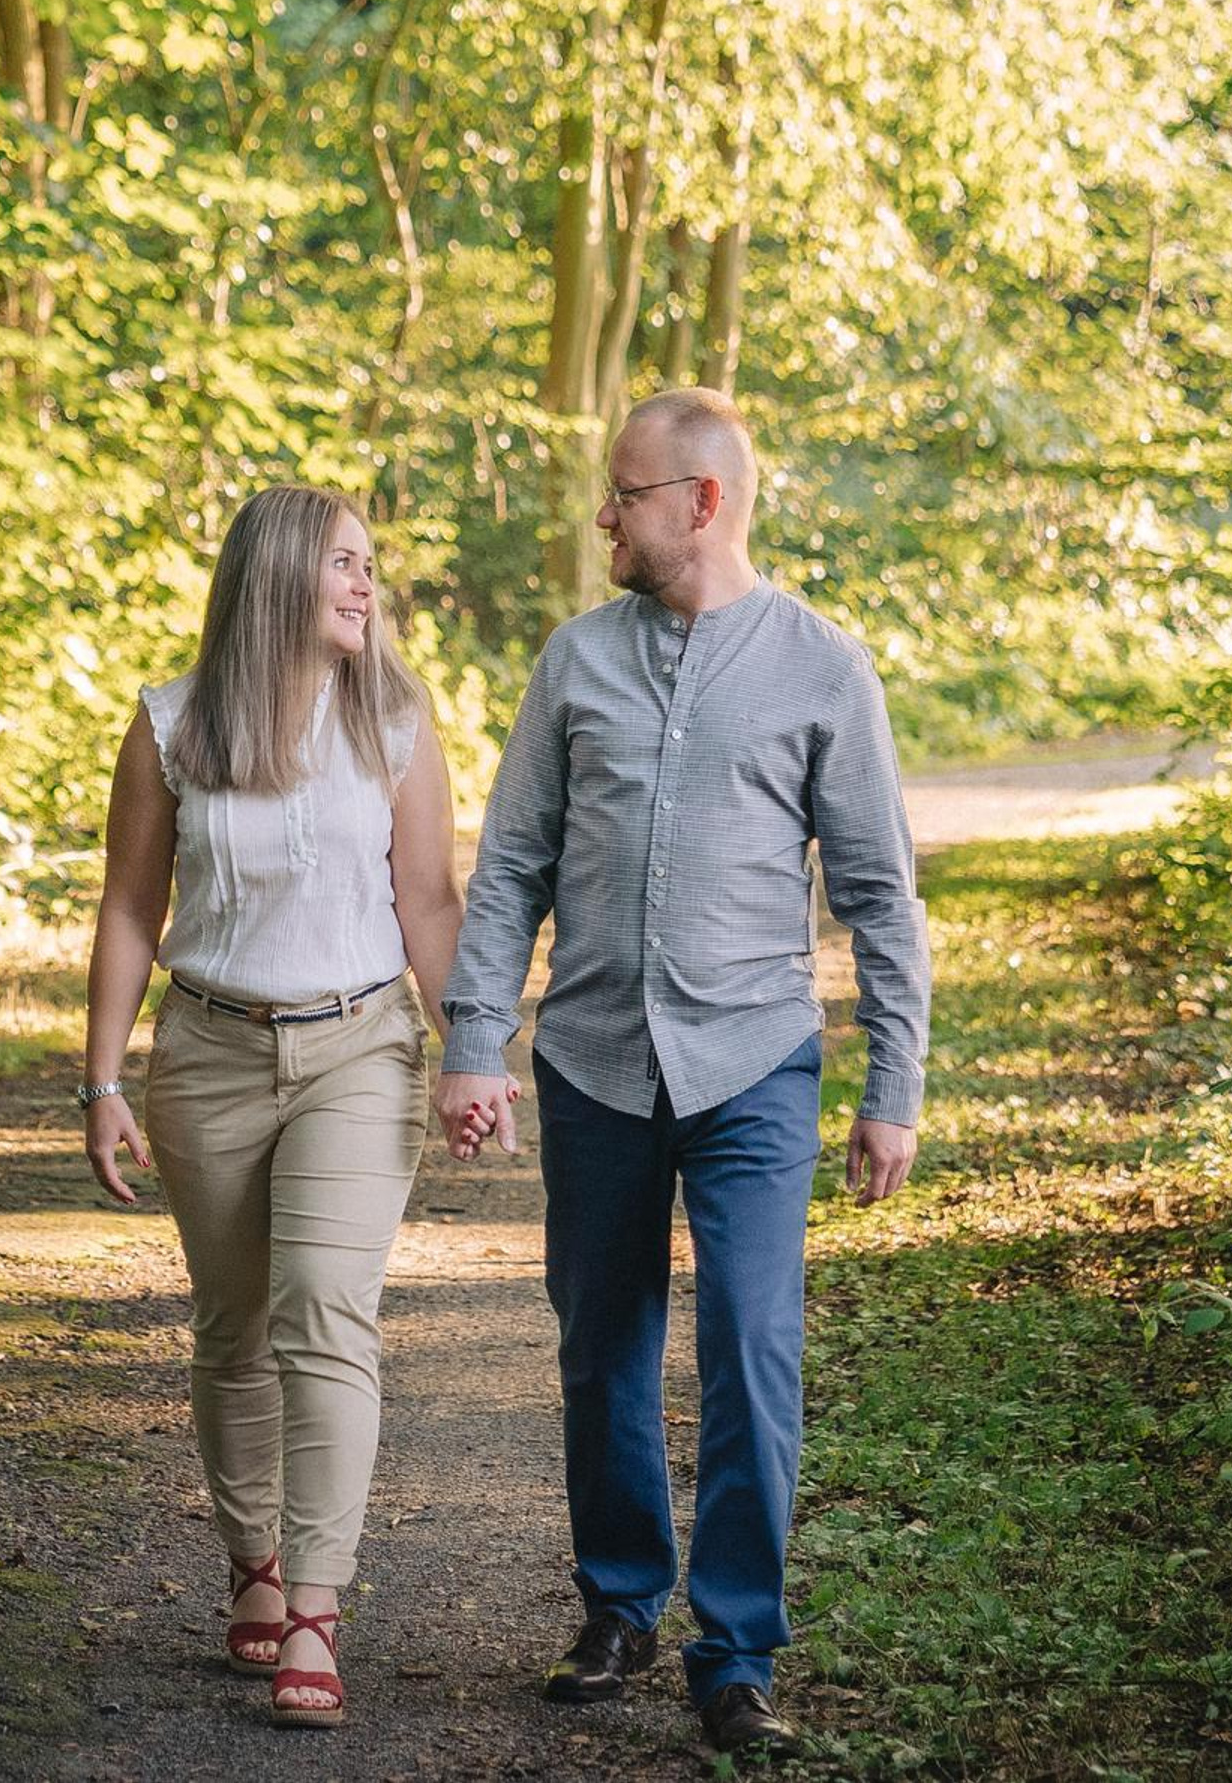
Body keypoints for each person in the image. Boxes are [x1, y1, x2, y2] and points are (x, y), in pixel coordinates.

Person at [435, 388, 930, 1765]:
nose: (606, 513)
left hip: (754, 1065)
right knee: (601, 1348)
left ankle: (736, 1650)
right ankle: (617, 1606)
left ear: (700, 502)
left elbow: (882, 894)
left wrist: (897, 1083)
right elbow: (512, 868)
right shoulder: (574, 662)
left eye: (626, 492)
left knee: (753, 1355)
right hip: (593, 1062)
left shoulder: (825, 669)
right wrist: (475, 1041)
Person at [80, 484, 463, 1732]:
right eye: (345, 564)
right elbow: (132, 908)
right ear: (280, 578)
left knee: (322, 1307)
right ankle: (249, 1562)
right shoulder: (172, 725)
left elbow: (429, 906)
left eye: (370, 565)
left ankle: (313, 1605)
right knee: (232, 1326)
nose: (367, 586)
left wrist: (475, 1050)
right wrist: (102, 1079)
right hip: (208, 1052)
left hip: (361, 1046)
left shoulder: (397, 722)